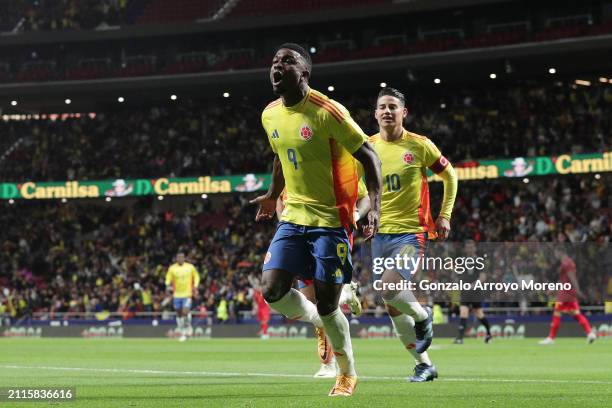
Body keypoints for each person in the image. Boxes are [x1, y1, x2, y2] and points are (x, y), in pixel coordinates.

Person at [251, 43, 382, 397]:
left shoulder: (328, 112)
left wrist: (377, 206)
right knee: (272, 291)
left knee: (327, 303)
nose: (278, 66)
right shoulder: (269, 114)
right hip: (293, 216)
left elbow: (369, 155)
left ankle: (347, 373)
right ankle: (319, 321)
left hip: (331, 220)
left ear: (304, 74)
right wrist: (271, 193)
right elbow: (280, 158)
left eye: (288, 61)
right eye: (275, 60)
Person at [369, 87, 458, 382]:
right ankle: (425, 365)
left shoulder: (420, 145)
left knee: (389, 287)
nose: (387, 111)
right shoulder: (366, 148)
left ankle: (423, 316)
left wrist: (444, 215)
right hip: (379, 236)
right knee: (392, 305)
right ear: (375, 113)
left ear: (403, 112)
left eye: (393, 106)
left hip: (411, 234)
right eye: (382, 106)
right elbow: (362, 191)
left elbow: (450, 175)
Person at [276, 180, 369, 378]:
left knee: (326, 305)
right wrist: (283, 222)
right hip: (299, 235)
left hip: (330, 234)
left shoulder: (338, 164)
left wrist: (357, 214)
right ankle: (346, 294)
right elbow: (280, 199)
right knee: (312, 306)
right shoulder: (291, 167)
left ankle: (332, 366)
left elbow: (365, 196)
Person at [539, 241, 597, 345]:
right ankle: (590, 333)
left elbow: (572, 278)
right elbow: (564, 280)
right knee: (576, 315)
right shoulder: (569, 262)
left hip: (565, 294)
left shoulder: (566, 263)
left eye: (555, 253)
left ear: (560, 252)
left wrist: (578, 291)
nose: (555, 255)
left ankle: (551, 338)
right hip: (569, 293)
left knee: (557, 313)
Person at [454, 239, 492, 344]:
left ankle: (489, 333)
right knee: (463, 312)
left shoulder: (479, 261)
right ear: (465, 249)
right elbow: (459, 275)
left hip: (475, 291)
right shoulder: (462, 261)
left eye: (471, 247)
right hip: (465, 291)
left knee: (479, 314)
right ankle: (460, 338)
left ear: (474, 248)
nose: (470, 249)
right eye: (468, 247)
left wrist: (473, 285)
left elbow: (483, 277)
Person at [165, 252, 200, 342]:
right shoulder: (172, 268)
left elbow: (196, 276)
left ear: (184, 258)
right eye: (178, 258)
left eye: (182, 257)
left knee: (185, 311)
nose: (180, 259)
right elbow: (168, 278)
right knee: (178, 313)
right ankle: (180, 328)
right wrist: (167, 285)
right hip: (177, 294)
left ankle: (187, 328)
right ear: (176, 259)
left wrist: (195, 286)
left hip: (187, 294)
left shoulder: (190, 267)